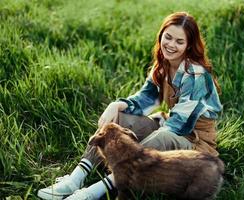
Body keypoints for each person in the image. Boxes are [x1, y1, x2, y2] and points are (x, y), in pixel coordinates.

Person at [37, 11, 223, 200]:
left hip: (194, 140)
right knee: (116, 122)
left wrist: (128, 152)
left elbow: (181, 124)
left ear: (189, 45)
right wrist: (116, 105)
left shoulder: (196, 75)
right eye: (168, 37)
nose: (171, 45)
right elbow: (145, 100)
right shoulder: (162, 67)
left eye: (179, 41)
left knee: (161, 136)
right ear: (161, 36)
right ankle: (76, 177)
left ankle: (96, 190)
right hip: (169, 126)